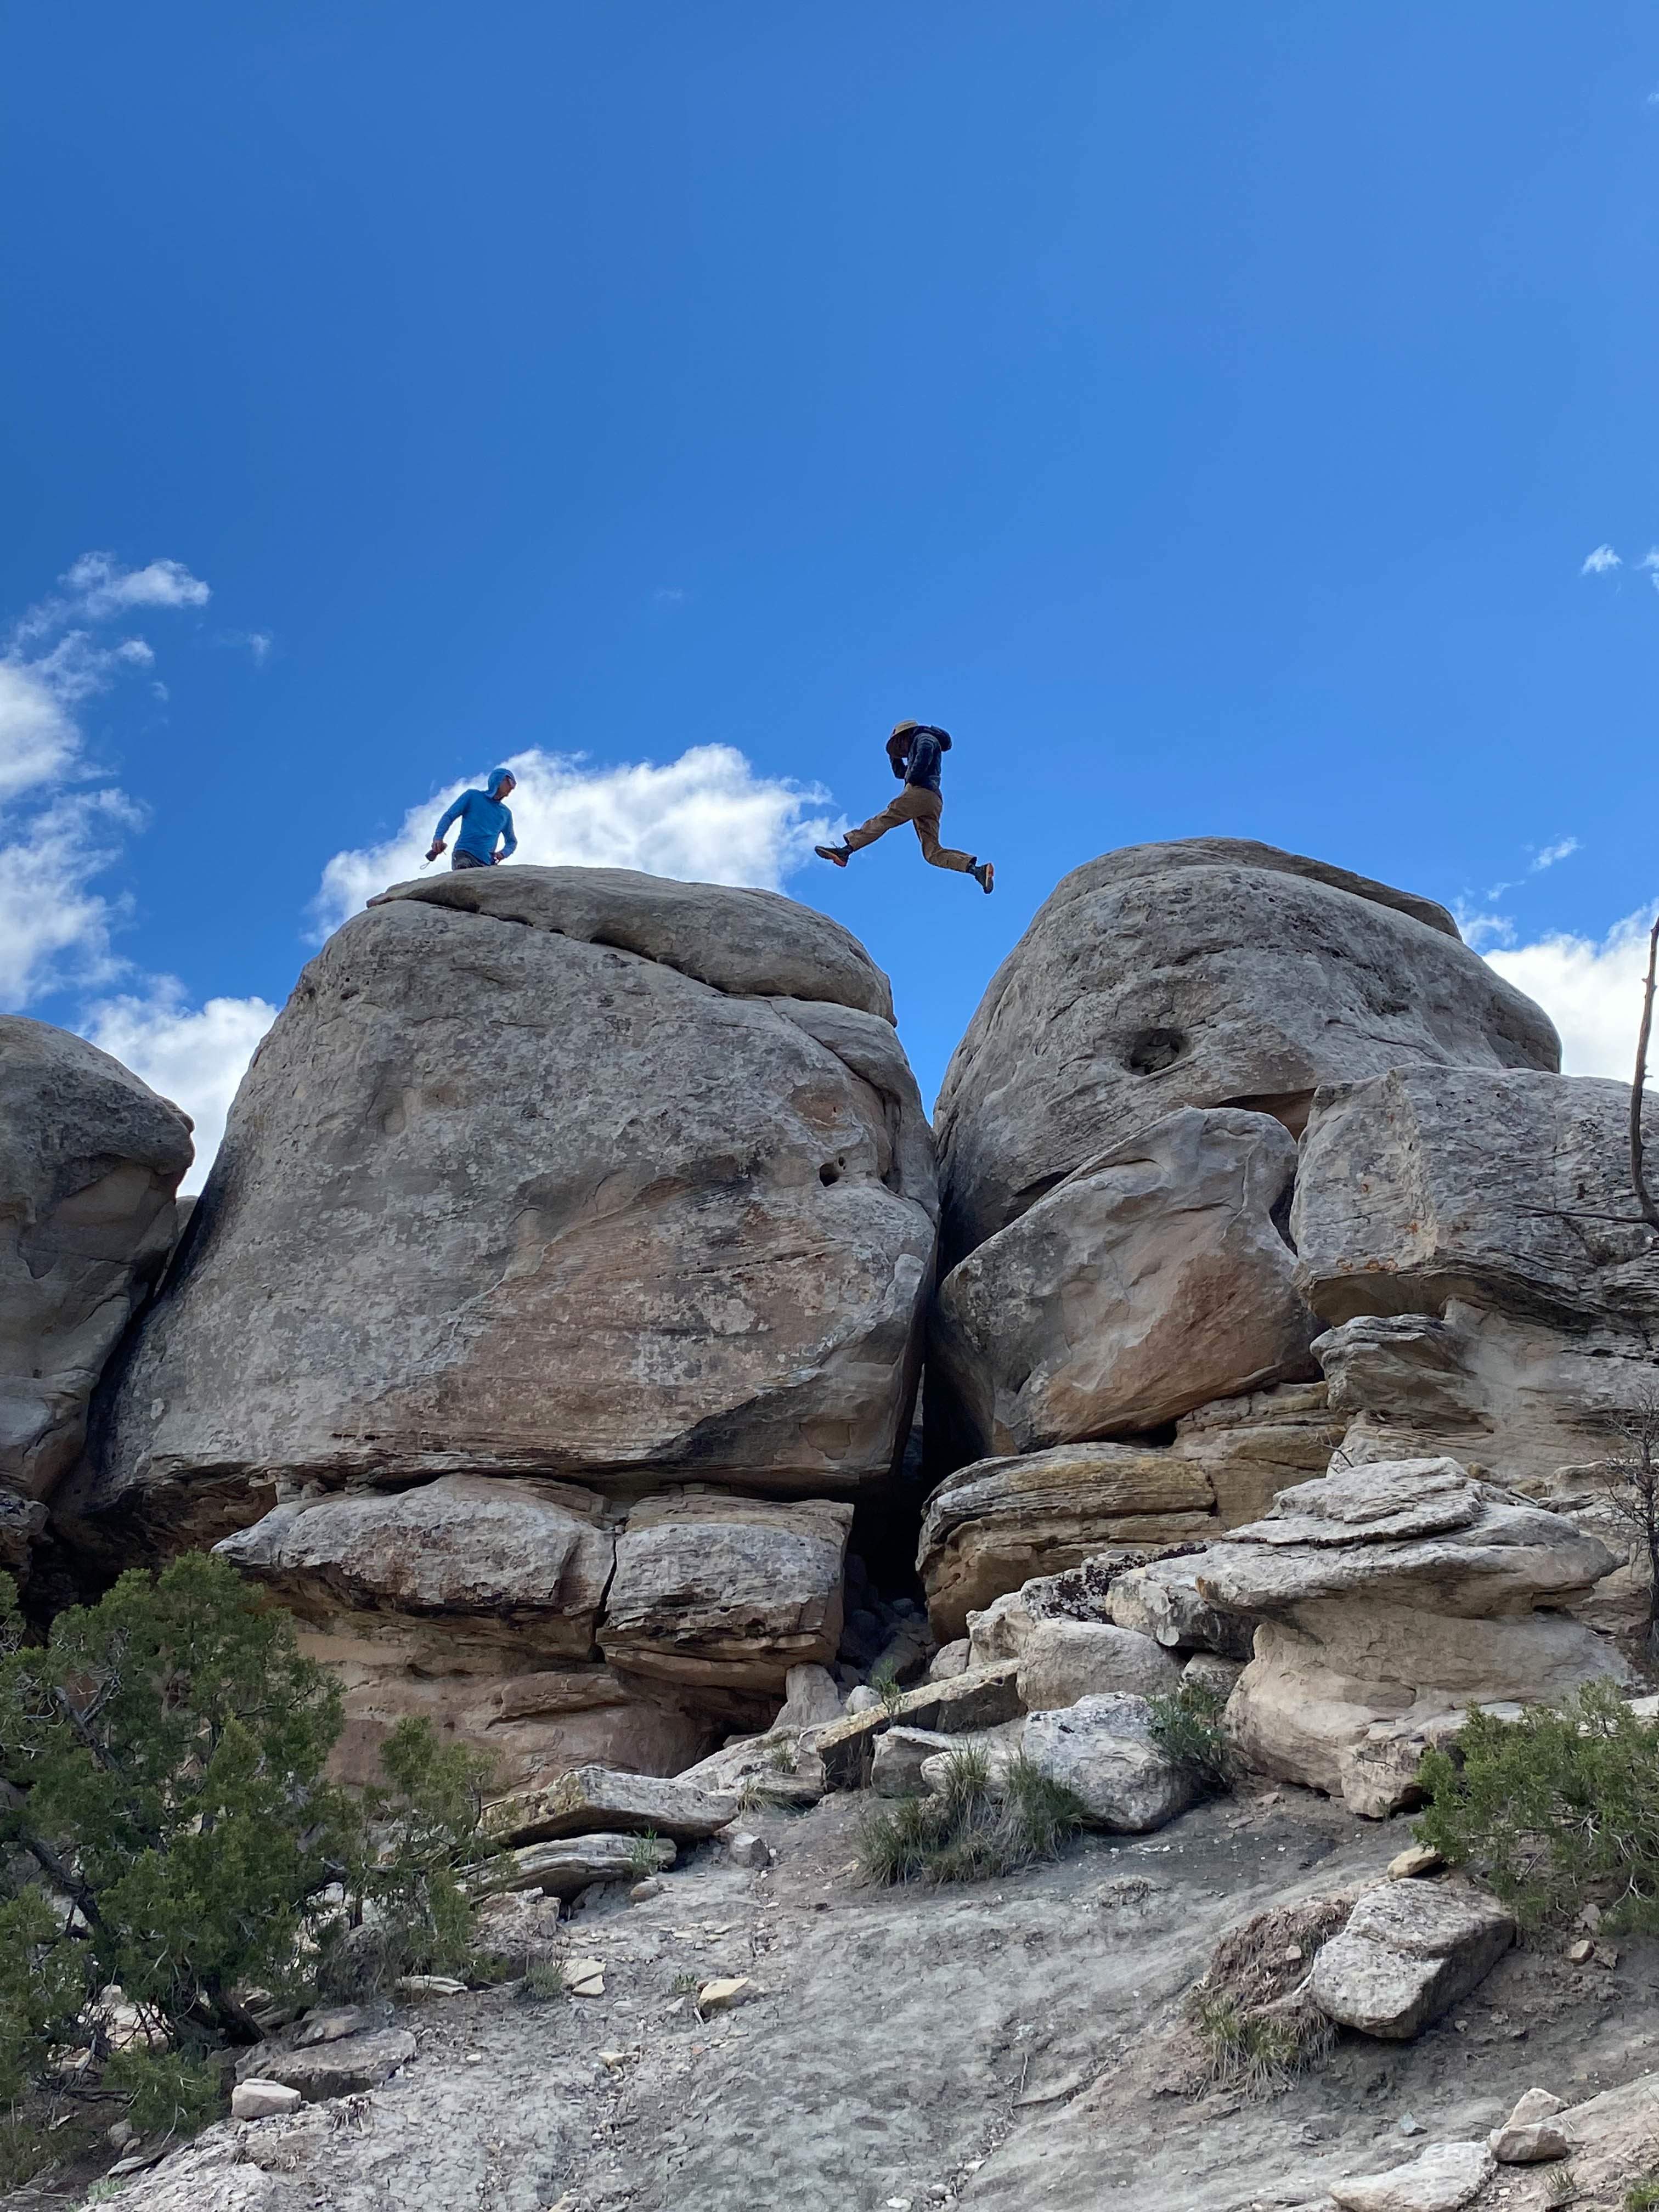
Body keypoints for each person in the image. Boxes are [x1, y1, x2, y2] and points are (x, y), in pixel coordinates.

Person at [815, 722, 993, 893]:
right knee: (932, 853)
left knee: (885, 818)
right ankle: (976, 870)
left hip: (920, 793)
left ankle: (846, 851)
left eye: (899, 742)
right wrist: (893, 755)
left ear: (906, 734)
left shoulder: (924, 737)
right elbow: (901, 773)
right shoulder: (919, 742)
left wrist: (914, 777)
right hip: (932, 800)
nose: (901, 748)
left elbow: (922, 757)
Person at [426, 769, 518, 870]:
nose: (512, 788)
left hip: (486, 863)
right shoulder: (473, 796)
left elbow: (512, 842)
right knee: (462, 881)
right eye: (511, 782)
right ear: (499, 779)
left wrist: (503, 854)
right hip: (464, 854)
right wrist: (438, 838)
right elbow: (449, 816)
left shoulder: (506, 814)